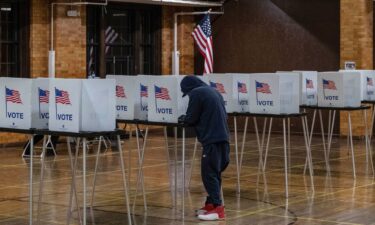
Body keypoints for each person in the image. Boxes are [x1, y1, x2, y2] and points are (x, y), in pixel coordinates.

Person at [179, 76, 230, 221]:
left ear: (189, 88)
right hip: (223, 139)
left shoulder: (197, 93)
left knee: (209, 174)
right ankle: (211, 204)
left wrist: (183, 118)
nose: (188, 96)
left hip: (212, 140)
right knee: (215, 173)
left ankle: (219, 209)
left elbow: (191, 118)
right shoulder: (213, 91)